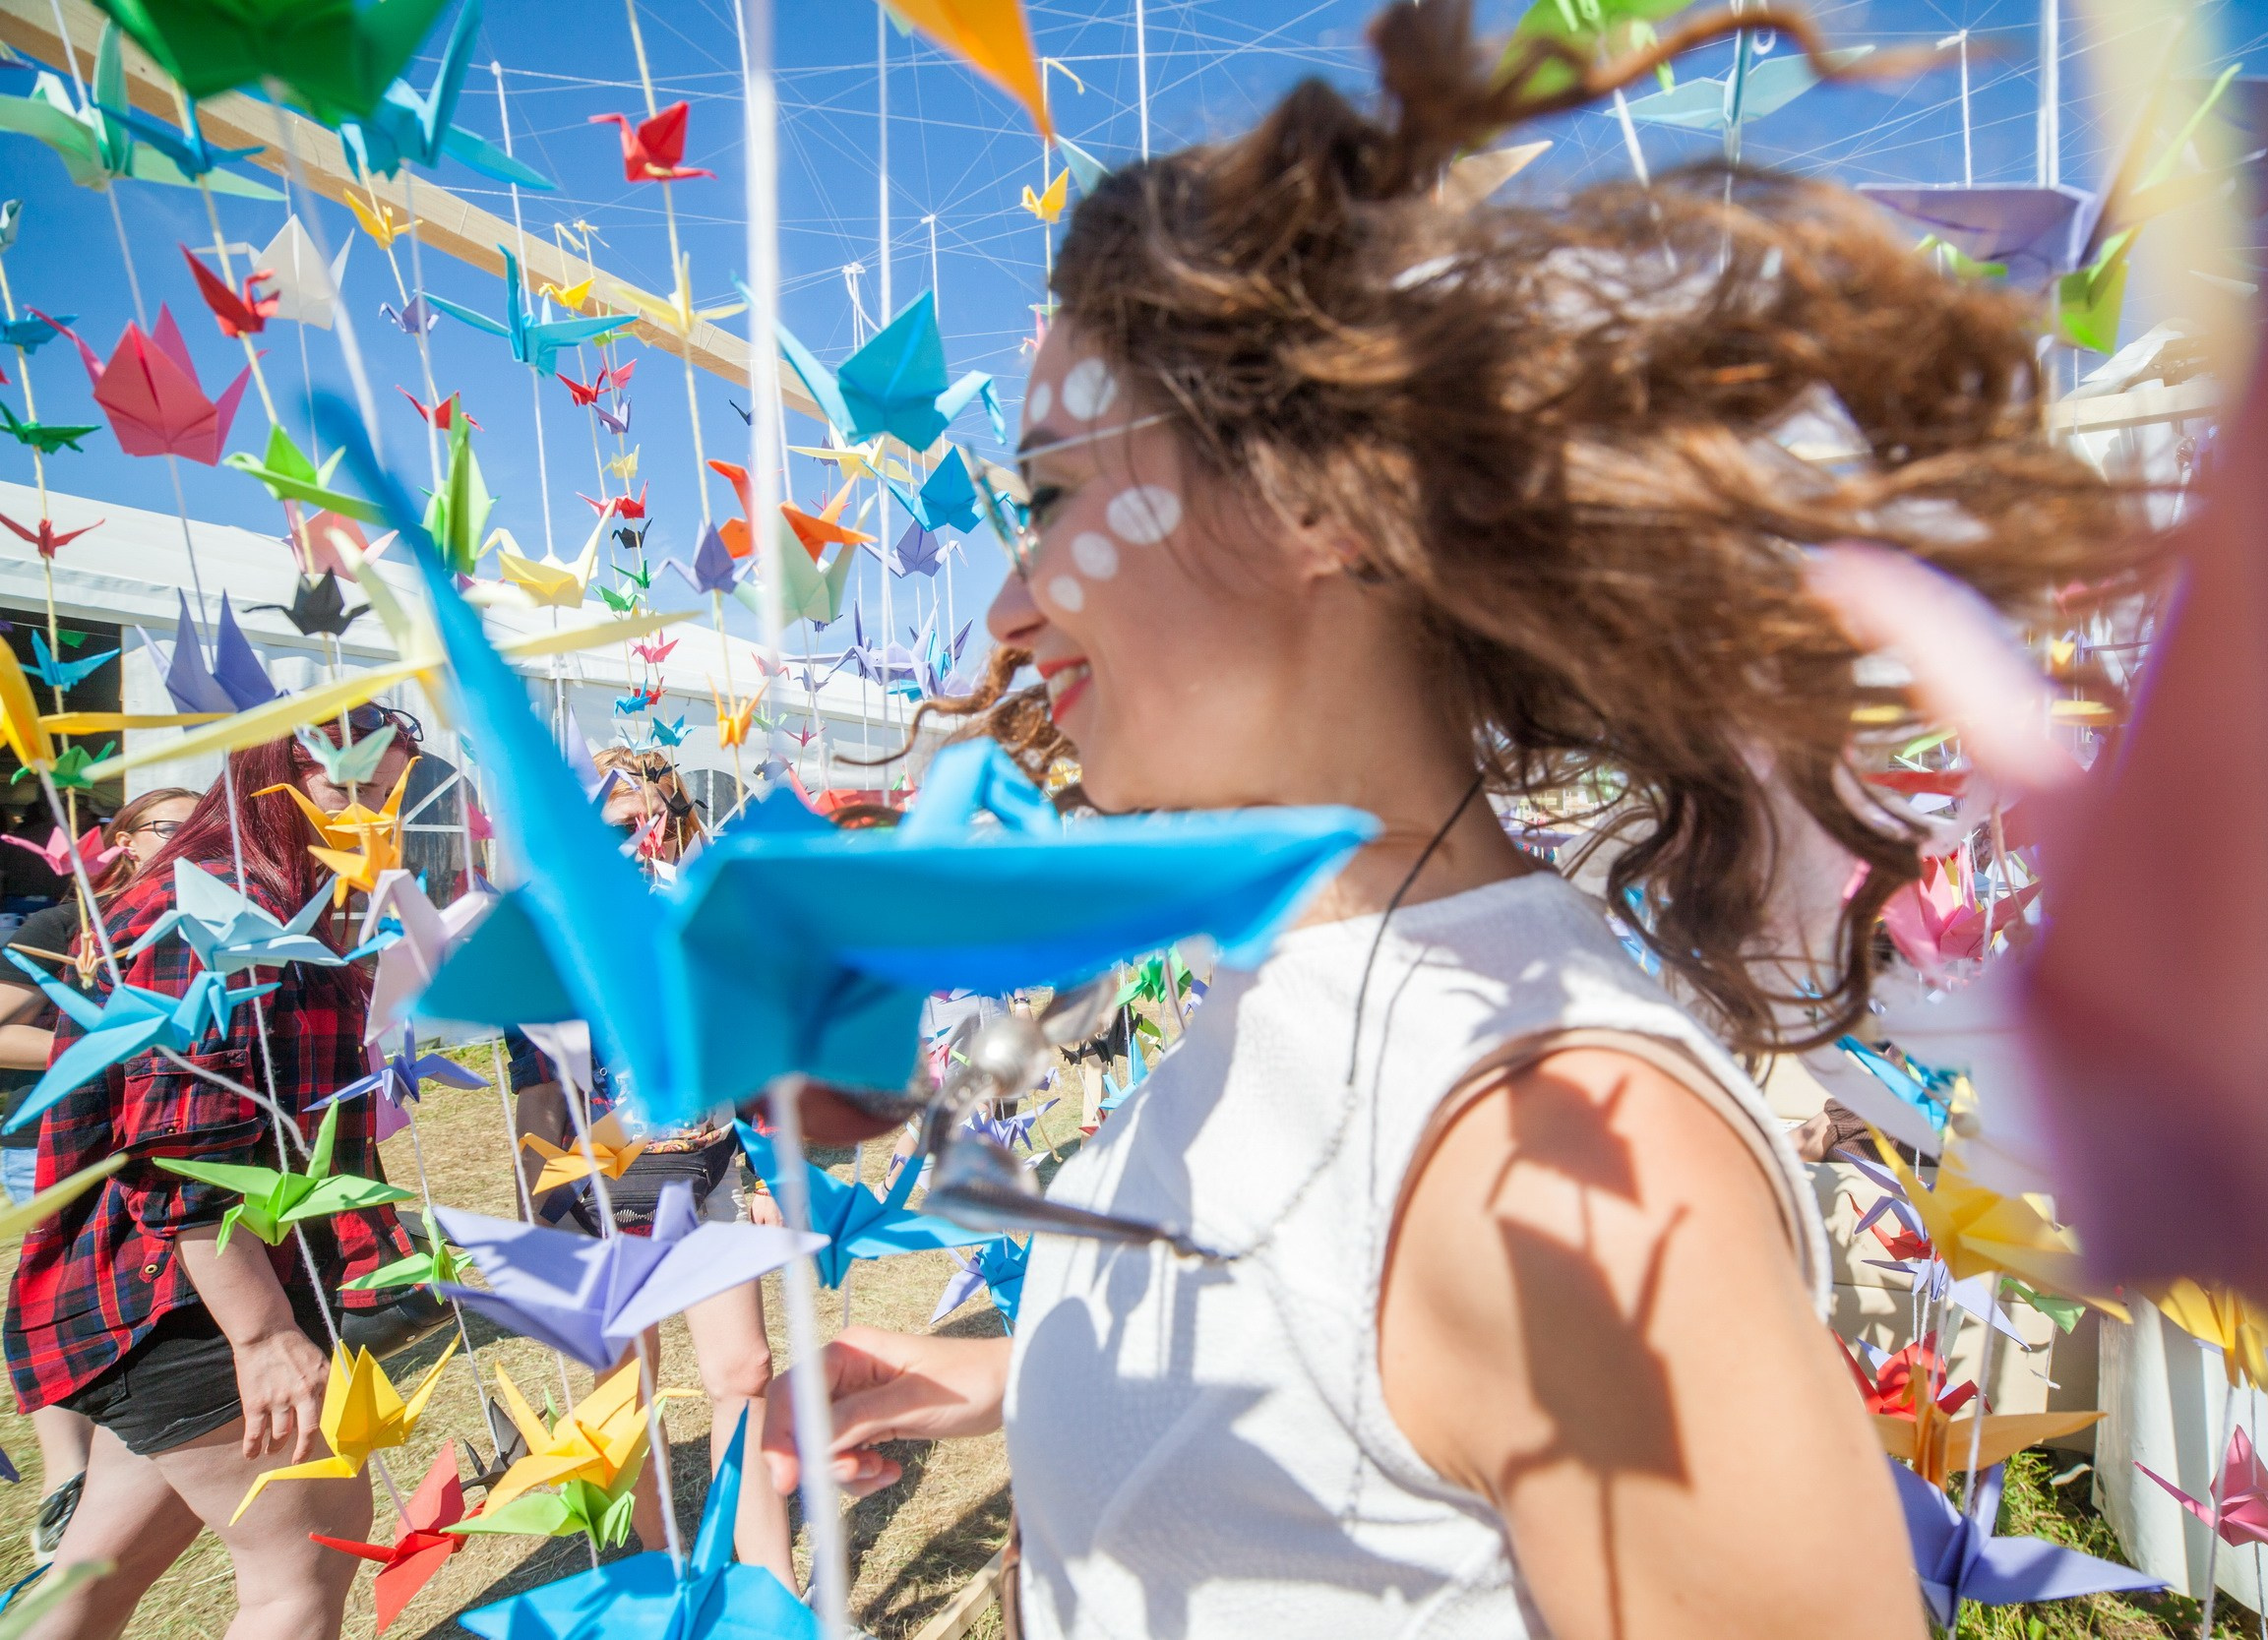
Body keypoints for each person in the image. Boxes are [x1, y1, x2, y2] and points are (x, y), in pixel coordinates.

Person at [758, 6, 2136, 1636]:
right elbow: (1356, 1368)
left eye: (1053, 495)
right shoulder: (1323, 981)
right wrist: (1018, 1373)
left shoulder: (1562, 1163)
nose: (1004, 607)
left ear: (1319, 502)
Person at [8, 706, 423, 1640]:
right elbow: (185, 1154)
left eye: (386, 790)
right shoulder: (213, 907)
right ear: (271, 773)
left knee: (99, 1569)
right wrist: (263, 1332)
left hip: (191, 1293)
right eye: (345, 784)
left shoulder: (283, 896)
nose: (368, 810)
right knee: (303, 1571)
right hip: (183, 1300)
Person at [506, 744, 794, 1587]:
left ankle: (774, 1592)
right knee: (626, 1381)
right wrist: (541, 1208)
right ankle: (660, 1566)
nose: (636, 840)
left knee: (744, 1370)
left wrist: (767, 1172)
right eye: (612, 827)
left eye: (648, 820)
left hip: (712, 1168)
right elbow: (537, 1087)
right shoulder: (552, 929)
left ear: (675, 818)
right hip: (603, 1184)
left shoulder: (709, 916)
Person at [0, 786, 198, 1563]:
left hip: (162, 1130)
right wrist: (106, 1047)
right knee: (63, 1291)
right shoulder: (60, 927)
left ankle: (146, 1450)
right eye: (171, 826)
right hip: (52, 1136)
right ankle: (66, 1477)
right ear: (123, 840)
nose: (191, 839)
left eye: (206, 826)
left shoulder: (199, 924)